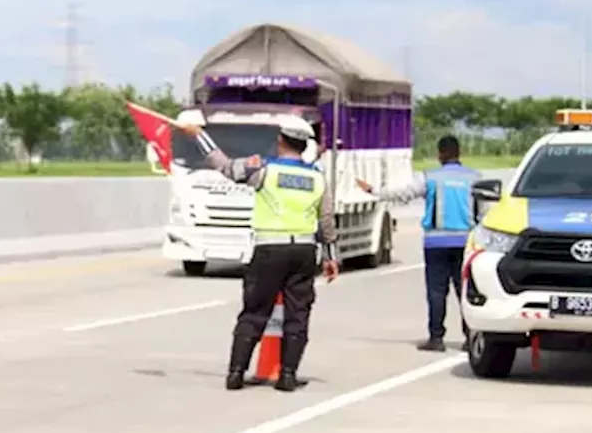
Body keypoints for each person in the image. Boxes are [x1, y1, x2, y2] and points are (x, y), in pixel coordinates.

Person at [175, 115, 339, 391]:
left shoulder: (264, 169)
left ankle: (236, 373)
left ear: (280, 141)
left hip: (268, 249)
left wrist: (199, 136)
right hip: (303, 250)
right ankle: (287, 375)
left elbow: (226, 167)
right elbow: (326, 220)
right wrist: (330, 256)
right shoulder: (316, 177)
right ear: (304, 145)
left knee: (254, 311)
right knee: (297, 314)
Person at [356, 135, 480, 353]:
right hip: (466, 243)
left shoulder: (430, 177)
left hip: (436, 244)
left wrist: (373, 191)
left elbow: (402, 194)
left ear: (441, 154)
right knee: (465, 292)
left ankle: (436, 338)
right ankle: (470, 337)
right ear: (459, 153)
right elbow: (487, 211)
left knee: (436, 292)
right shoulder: (474, 178)